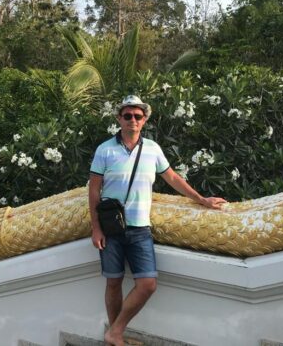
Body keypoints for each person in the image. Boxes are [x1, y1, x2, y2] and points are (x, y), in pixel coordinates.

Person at [89, 95, 226, 346]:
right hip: (111, 227)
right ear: (119, 118)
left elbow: (172, 178)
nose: (132, 120)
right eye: (127, 115)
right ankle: (115, 337)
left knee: (148, 284)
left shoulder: (152, 149)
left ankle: (115, 331)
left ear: (144, 120)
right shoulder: (105, 150)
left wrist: (201, 199)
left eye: (137, 116)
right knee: (114, 282)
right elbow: (94, 190)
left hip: (140, 227)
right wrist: (96, 228)